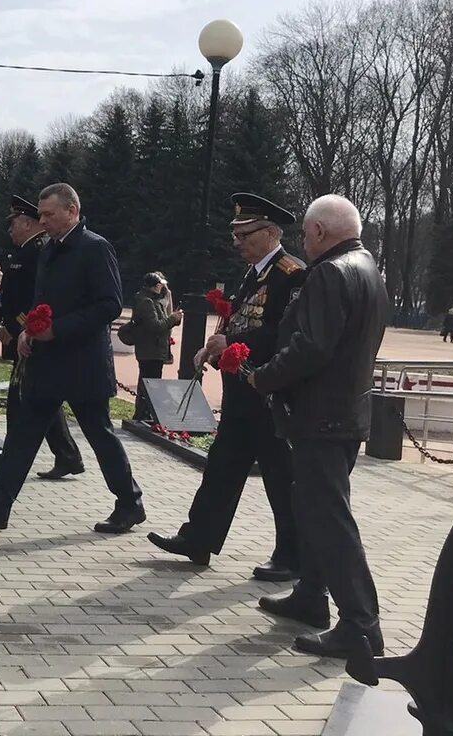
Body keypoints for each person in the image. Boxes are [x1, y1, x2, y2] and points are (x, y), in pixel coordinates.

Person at [0, 183, 145, 534]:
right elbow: (41, 304)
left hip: (82, 362)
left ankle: (129, 503)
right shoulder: (50, 250)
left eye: (48, 215)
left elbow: (109, 305)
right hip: (47, 362)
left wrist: (58, 329)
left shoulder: (95, 248)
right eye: (40, 215)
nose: (42, 221)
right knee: (24, 432)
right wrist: (28, 331)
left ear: (72, 212)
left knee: (100, 434)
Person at [249, 194, 389, 659]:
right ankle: (311, 596)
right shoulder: (368, 267)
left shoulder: (331, 272)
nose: (303, 243)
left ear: (321, 232)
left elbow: (311, 347)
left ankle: (361, 625)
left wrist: (263, 376)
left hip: (321, 415)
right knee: (315, 510)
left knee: (330, 520)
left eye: (306, 235)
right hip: (344, 413)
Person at [148, 193, 305, 581]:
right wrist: (214, 349)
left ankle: (293, 554)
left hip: (269, 391)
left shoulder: (291, 273)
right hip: (241, 390)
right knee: (221, 468)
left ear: (270, 233)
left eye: (244, 234)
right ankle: (199, 538)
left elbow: (286, 333)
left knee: (280, 477)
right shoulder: (252, 273)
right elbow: (238, 320)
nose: (237, 242)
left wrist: (238, 346)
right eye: (234, 234)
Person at [0, 194, 84, 482]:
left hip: (30, 338)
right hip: (23, 336)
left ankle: (9, 465)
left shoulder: (39, 254)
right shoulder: (25, 253)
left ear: (27, 223)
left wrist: (19, 328)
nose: (10, 229)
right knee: (39, 401)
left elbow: (37, 301)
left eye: (14, 223)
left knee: (20, 401)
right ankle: (67, 456)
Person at [130, 272, 182, 425]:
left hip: (153, 349)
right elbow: (156, 327)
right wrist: (172, 318)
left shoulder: (150, 300)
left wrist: (173, 320)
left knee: (150, 381)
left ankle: (144, 413)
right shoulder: (146, 302)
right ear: (157, 285)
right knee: (149, 382)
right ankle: (143, 414)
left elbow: (160, 322)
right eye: (161, 285)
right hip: (150, 350)